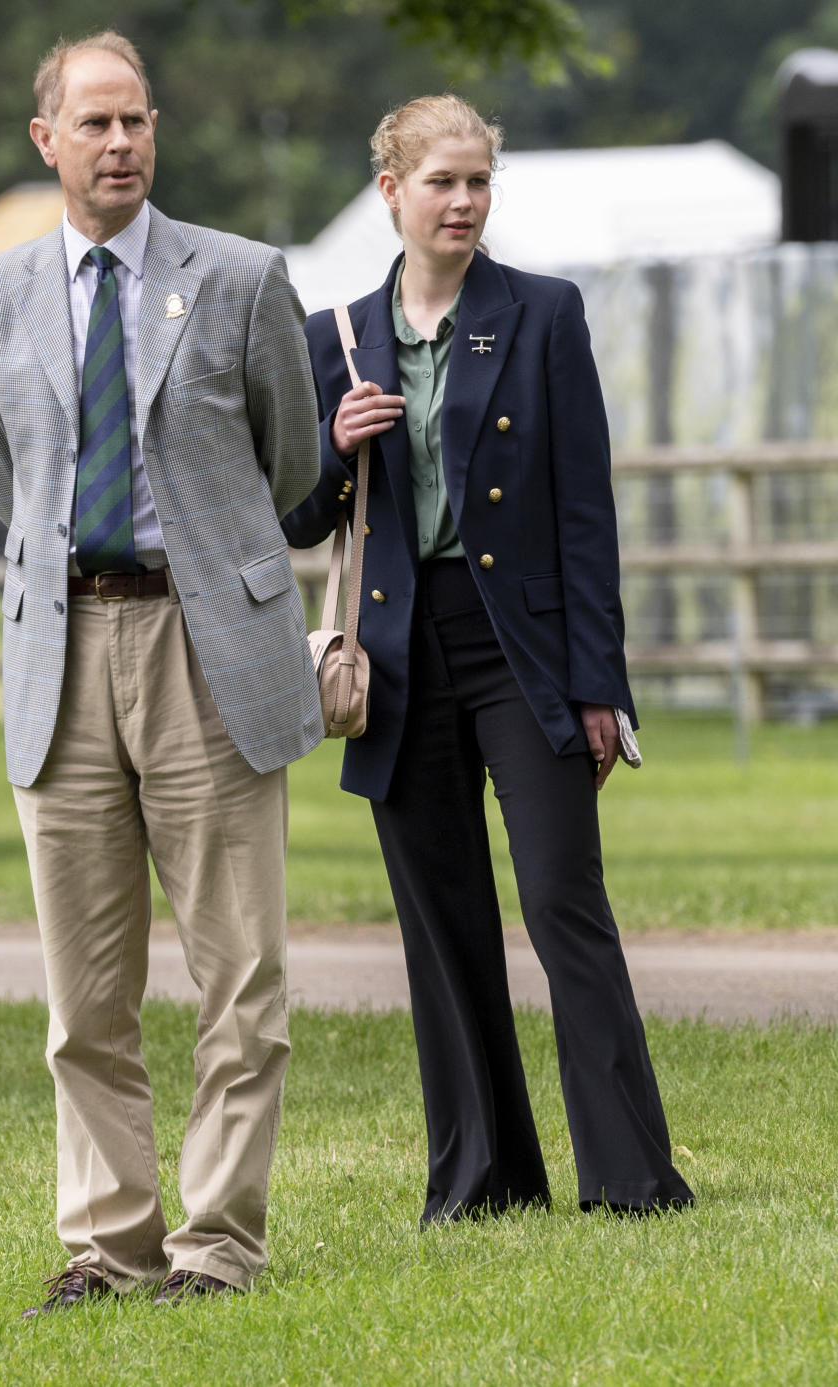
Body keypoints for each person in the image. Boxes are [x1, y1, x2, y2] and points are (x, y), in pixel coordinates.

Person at [0, 31, 323, 1315]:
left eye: (136, 122)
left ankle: (217, 1241)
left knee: (241, 973)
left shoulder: (241, 277)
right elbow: (15, 485)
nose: (120, 145)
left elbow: (289, 470)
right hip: (61, 651)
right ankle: (109, 1244)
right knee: (84, 992)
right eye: (93, 124)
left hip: (206, 647)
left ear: (155, 132)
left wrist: (212, 567)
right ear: (45, 139)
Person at [282, 96, 694, 1223]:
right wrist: (333, 445)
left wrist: (601, 684)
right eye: (442, 184)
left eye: (478, 183)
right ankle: (484, 1178)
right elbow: (304, 519)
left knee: (565, 899)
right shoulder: (340, 338)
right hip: (400, 654)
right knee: (441, 916)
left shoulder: (544, 314)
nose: (463, 202)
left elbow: (583, 516)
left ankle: (632, 1178)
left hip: (523, 649)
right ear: (391, 194)